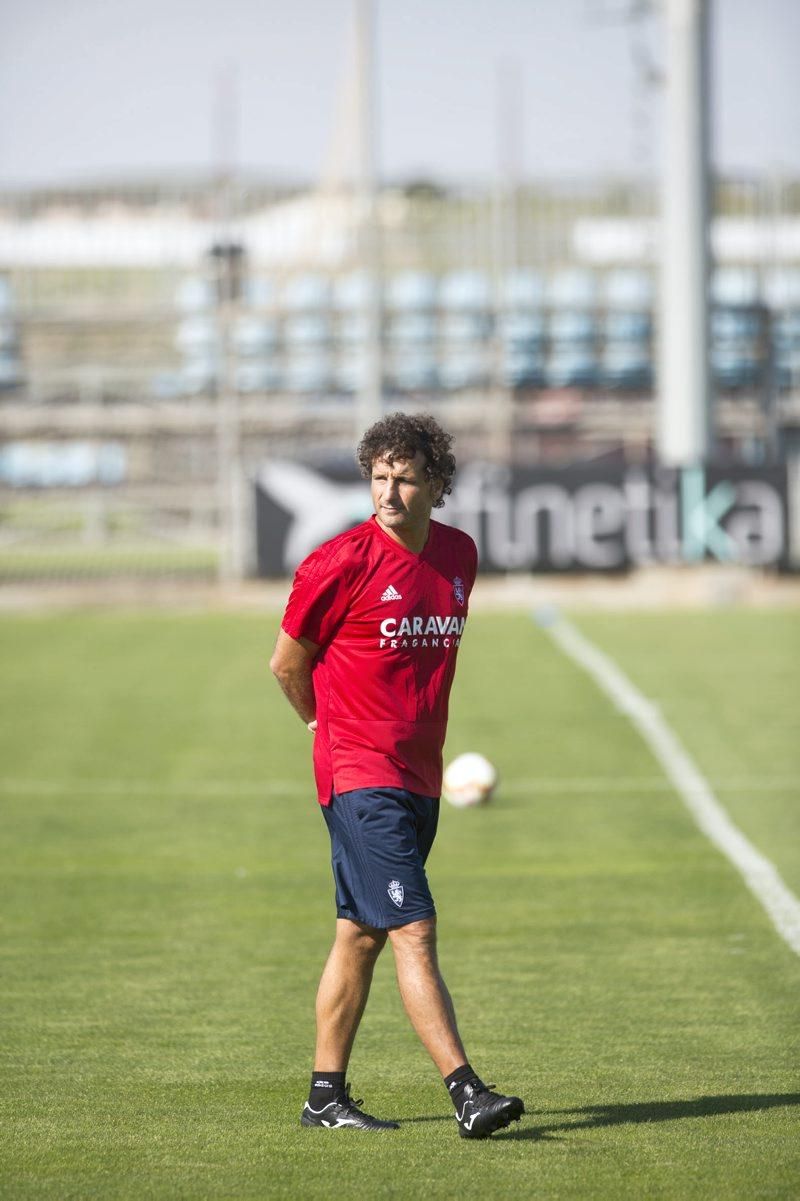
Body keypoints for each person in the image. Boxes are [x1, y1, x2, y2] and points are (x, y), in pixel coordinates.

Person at [270, 412, 524, 1139]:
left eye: (405, 479)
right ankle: (466, 1091)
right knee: (414, 924)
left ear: (437, 484)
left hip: (419, 776)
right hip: (359, 772)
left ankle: (325, 1096)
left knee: (360, 933)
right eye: (379, 478)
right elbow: (287, 662)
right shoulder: (337, 562)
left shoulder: (458, 555)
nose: (388, 493)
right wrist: (321, 724)